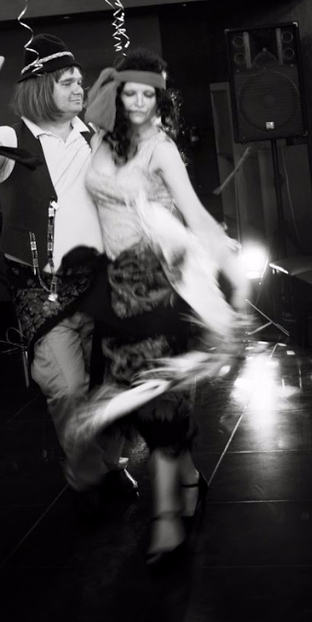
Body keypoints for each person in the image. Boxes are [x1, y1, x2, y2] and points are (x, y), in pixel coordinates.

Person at [0, 35, 138, 504]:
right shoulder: (14, 140)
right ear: (40, 87)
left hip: (102, 284)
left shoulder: (95, 136)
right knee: (67, 387)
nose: (78, 89)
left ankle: (110, 462)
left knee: (119, 382)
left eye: (79, 81)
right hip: (42, 290)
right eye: (67, 82)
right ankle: (85, 473)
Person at [83, 47, 247, 565]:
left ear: (160, 99)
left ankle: (167, 524)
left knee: (158, 405)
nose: (137, 103)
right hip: (115, 288)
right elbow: (90, 112)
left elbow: (195, 214)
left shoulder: (162, 149)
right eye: (128, 93)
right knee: (143, 401)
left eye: (147, 94)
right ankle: (190, 477)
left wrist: (232, 271)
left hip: (156, 284)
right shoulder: (102, 139)